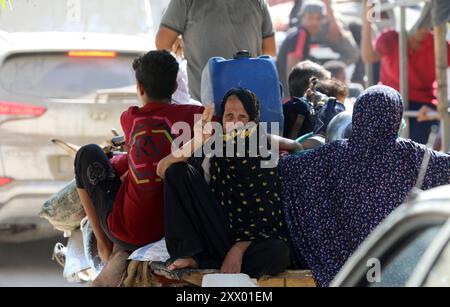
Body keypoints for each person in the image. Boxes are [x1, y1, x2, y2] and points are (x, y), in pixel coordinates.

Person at [279, 85, 450, 287]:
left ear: (359, 114)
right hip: (397, 265)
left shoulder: (332, 155)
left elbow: (286, 169)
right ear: (395, 115)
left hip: (347, 269)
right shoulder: (411, 154)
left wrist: (291, 146)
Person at [74, 50, 204, 287]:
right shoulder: (195, 117)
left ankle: (103, 245)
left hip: (127, 231)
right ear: (175, 85)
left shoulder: (130, 117)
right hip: (170, 233)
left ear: (140, 87)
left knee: (86, 153)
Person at [157, 88, 304, 278]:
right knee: (177, 170)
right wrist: (198, 139)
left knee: (278, 252)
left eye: (242, 117)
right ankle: (193, 255)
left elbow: (267, 219)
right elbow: (163, 169)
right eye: (229, 116)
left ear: (252, 122)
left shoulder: (263, 154)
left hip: (250, 242)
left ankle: (210, 263)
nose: (234, 123)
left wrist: (238, 250)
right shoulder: (211, 147)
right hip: (215, 233)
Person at [361, 0, 450, 145]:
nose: (422, 29)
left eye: (425, 23)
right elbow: (368, 56)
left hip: (423, 107)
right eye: (418, 24)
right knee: (381, 147)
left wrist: (440, 104)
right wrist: (367, 22)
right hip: (390, 101)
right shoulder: (391, 38)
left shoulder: (438, 43)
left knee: (413, 151)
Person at [156, 0, 277, 101]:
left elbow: (162, 43)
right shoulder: (258, 2)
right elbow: (270, 52)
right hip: (247, 110)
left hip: (203, 110)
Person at [277, 0, 359, 97]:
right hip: (289, 96)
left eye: (318, 19)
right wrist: (295, 99)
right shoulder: (301, 34)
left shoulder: (300, 34)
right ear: (302, 18)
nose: (314, 22)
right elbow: (292, 69)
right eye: (310, 18)